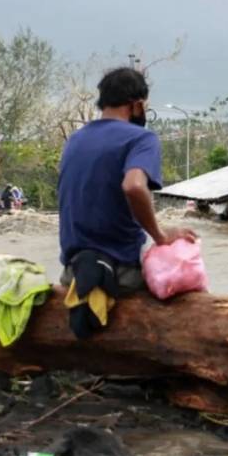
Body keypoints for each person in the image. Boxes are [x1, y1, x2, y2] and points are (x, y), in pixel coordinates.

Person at [57, 67, 195, 293]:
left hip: (73, 273)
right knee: (183, 281)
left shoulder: (75, 140)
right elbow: (133, 186)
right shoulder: (141, 139)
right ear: (137, 105)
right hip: (120, 273)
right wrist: (160, 236)